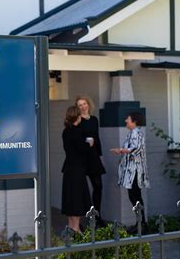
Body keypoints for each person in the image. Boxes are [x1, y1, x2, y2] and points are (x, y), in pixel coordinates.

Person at [110, 112, 149, 233]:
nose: (126, 120)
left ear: (134, 121)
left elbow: (135, 148)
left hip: (135, 171)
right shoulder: (133, 133)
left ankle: (141, 224)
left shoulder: (136, 133)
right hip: (132, 171)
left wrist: (121, 150)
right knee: (134, 197)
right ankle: (140, 223)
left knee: (135, 197)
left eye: (128, 118)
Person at [61, 105, 93, 233]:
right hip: (77, 170)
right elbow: (81, 149)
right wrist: (89, 144)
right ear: (77, 116)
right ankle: (76, 228)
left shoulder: (66, 131)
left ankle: (70, 226)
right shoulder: (77, 131)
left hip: (68, 168)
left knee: (70, 198)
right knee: (77, 199)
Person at [75, 96, 106, 226]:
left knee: (98, 186)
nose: (83, 106)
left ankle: (97, 216)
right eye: (80, 105)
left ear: (88, 104)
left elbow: (97, 137)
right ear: (77, 108)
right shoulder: (77, 121)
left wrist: (100, 155)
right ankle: (81, 219)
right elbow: (75, 139)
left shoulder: (94, 119)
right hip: (82, 157)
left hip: (93, 156)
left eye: (84, 104)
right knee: (81, 189)